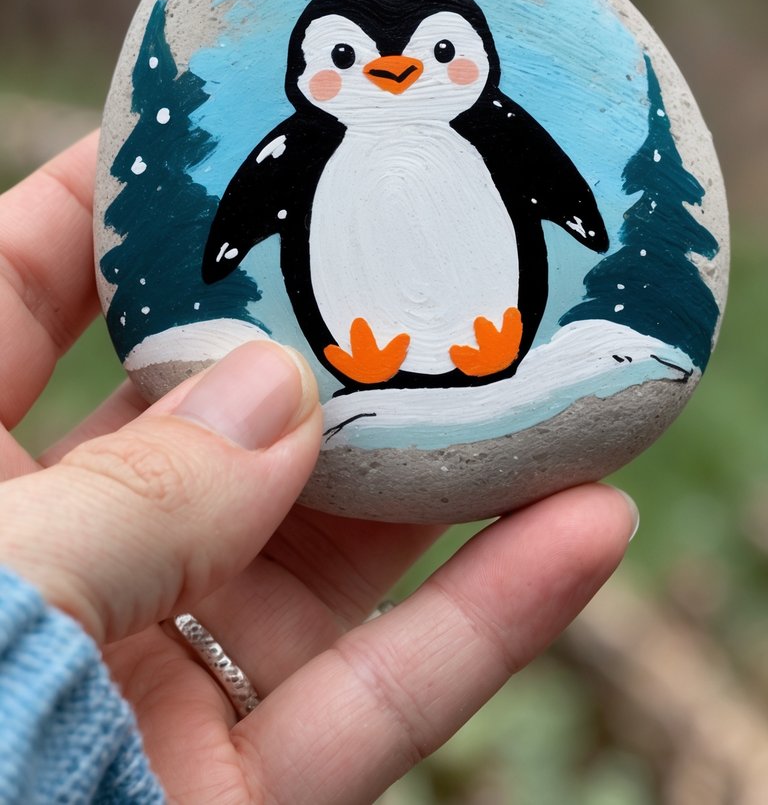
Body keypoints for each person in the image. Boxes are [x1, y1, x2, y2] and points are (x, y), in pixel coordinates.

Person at [0, 132, 638, 804]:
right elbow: (257, 199)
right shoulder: (307, 143)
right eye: (346, 57)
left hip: (481, 334)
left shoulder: (487, 129)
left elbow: (547, 177)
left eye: (441, 51)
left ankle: (483, 341)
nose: (401, 71)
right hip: (353, 351)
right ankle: (366, 345)